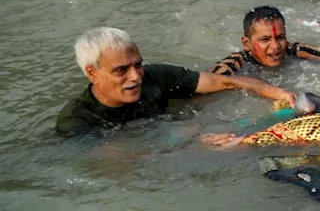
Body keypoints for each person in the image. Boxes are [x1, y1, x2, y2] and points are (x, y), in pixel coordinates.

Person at [56, 27, 293, 136]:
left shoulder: (156, 76)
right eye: (121, 70)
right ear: (92, 73)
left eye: (137, 64)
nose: (136, 76)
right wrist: (193, 140)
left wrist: (279, 93)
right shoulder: (77, 121)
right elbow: (119, 162)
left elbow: (223, 82)